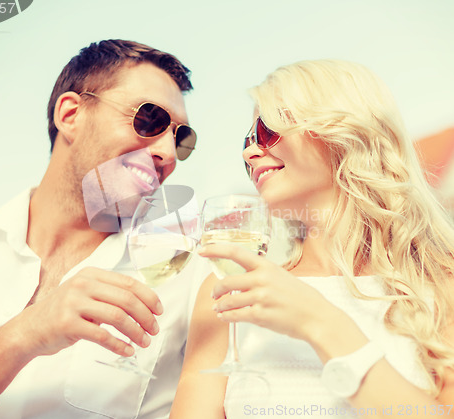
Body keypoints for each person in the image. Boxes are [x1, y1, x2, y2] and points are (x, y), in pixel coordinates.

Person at [170, 59, 454, 419]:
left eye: (267, 130)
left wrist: (320, 322)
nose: (249, 152)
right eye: (248, 140)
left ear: (343, 131)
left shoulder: (443, 283)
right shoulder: (231, 289)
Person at [0, 39, 202, 419]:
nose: (168, 155)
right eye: (150, 119)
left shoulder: (188, 280)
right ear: (71, 115)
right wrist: (25, 334)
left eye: (181, 139)